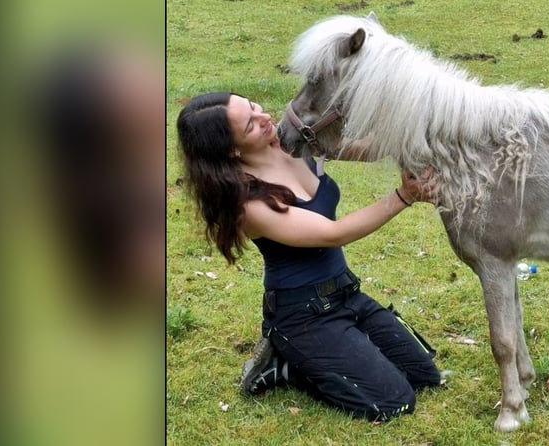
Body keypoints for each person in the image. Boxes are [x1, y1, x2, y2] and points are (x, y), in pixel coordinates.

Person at [176, 91, 441, 422]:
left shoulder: (296, 144)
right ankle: (287, 367)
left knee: (424, 376)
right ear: (232, 149)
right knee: (394, 401)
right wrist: (403, 196)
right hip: (303, 315)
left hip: (346, 294)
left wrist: (412, 129)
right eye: (250, 124)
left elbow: (365, 148)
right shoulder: (247, 203)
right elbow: (334, 234)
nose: (265, 117)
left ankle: (330, 353)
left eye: (255, 106)